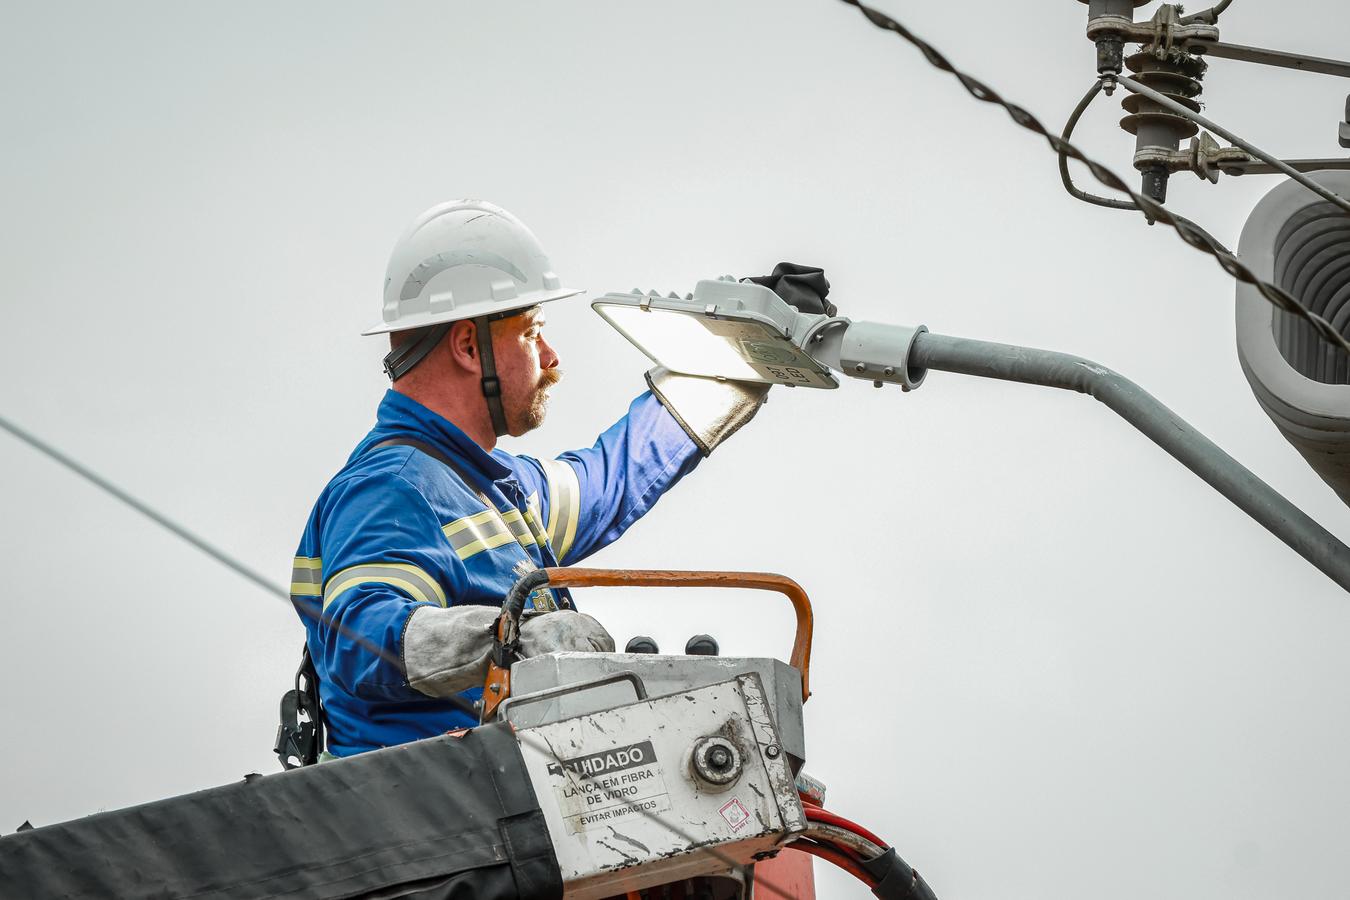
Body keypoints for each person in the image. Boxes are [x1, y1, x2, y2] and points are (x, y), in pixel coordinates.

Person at [289, 200, 779, 757]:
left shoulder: (491, 488)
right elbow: (359, 637)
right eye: (532, 333)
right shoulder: (394, 488)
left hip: (490, 801)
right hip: (434, 820)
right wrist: (509, 640)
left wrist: (743, 353)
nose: (552, 357)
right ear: (470, 348)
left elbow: (612, 477)